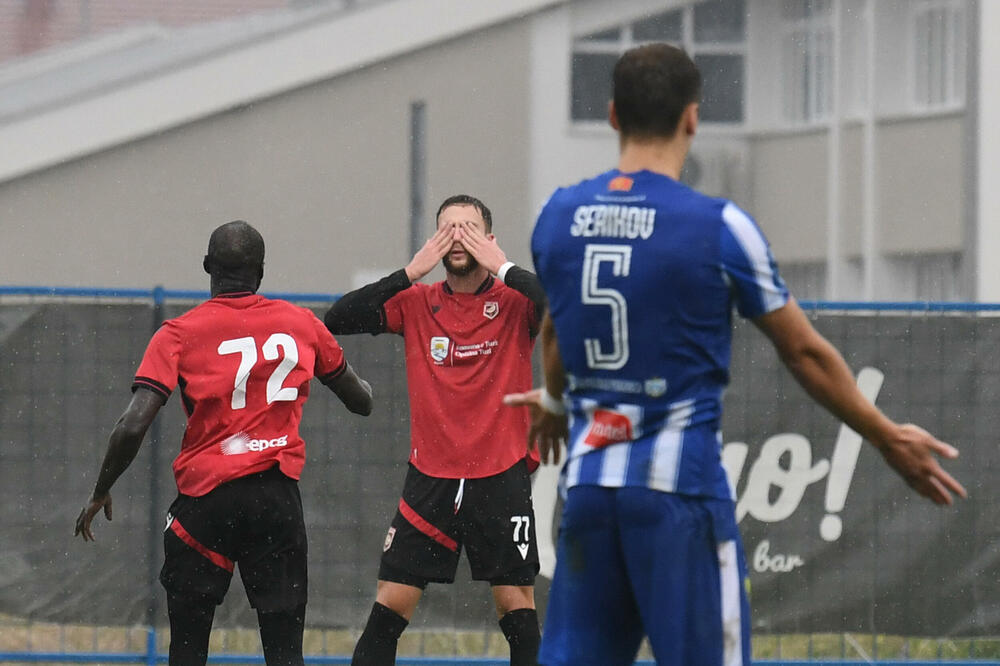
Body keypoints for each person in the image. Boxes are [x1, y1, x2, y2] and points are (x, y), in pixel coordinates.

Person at [503, 44, 967, 666]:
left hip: (589, 490)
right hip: (678, 499)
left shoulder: (558, 216)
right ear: (693, 117)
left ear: (612, 115)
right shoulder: (718, 226)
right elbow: (802, 350)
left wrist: (556, 400)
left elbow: (557, 327)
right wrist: (886, 437)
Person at [74, 221, 374, 666]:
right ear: (262, 271)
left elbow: (132, 424)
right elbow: (361, 401)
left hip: (206, 499)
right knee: (285, 649)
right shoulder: (301, 323)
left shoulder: (178, 332)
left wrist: (101, 490)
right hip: (276, 498)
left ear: (208, 267)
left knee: (189, 647)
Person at [324, 194, 546, 666]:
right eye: (448, 229)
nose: (458, 238)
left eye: (468, 229)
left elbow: (565, 306)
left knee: (517, 609)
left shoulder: (516, 302)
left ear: (488, 239)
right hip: (431, 478)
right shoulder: (416, 302)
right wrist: (409, 271)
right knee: (388, 608)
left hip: (500, 475)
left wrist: (504, 266)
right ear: (434, 242)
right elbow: (337, 319)